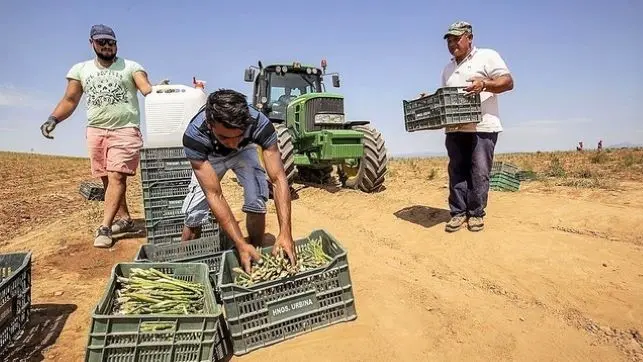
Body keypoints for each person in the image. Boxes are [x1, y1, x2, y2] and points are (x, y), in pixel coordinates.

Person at [40, 24, 153, 247]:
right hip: (96, 131)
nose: (108, 46)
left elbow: (146, 88)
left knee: (117, 176)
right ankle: (125, 219)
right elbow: (70, 100)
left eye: (111, 42)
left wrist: (163, 91)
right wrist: (53, 119)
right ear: (92, 43)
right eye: (102, 42)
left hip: (125, 129)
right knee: (107, 178)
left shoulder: (131, 66)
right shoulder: (81, 70)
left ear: (116, 44)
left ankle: (104, 227)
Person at [181, 88, 296, 273]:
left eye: (238, 134)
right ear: (211, 125)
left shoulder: (259, 123)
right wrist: (240, 242)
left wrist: (285, 232)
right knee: (195, 212)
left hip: (245, 151)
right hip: (210, 156)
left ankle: (256, 256)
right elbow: (214, 194)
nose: (232, 143)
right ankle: (187, 266)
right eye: (225, 136)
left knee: (257, 197)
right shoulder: (195, 135)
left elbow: (278, 177)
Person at [439, 21, 514, 232]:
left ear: (469, 38)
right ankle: (458, 212)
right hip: (455, 129)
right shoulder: (448, 69)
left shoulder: (487, 56)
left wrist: (484, 84)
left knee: (479, 172)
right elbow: (448, 98)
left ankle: (476, 213)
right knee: (456, 171)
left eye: (457, 39)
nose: (452, 43)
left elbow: (508, 82)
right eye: (450, 40)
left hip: (483, 127)